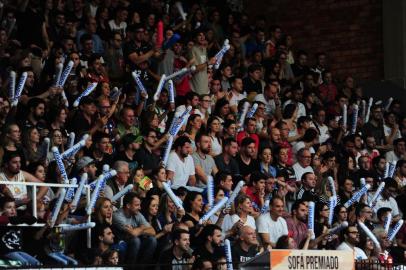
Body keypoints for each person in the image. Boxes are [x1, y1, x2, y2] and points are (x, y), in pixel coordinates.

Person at [112, 192, 157, 265]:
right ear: (128, 205)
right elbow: (133, 233)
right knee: (136, 240)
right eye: (137, 205)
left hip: (134, 243)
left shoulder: (137, 214)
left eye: (139, 205)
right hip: (121, 244)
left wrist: (139, 229)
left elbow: (153, 231)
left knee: (152, 240)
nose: (140, 208)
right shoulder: (117, 215)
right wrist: (143, 227)